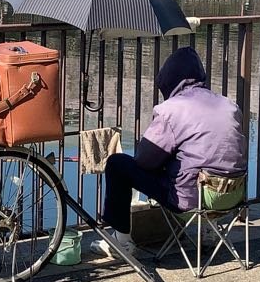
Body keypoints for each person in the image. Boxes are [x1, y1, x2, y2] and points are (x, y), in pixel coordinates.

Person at [91, 46, 246, 257]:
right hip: (233, 198)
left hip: (192, 201)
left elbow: (145, 160)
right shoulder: (230, 106)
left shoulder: (171, 110)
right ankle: (210, 231)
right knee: (210, 159)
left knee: (118, 164)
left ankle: (122, 244)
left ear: (169, 81)